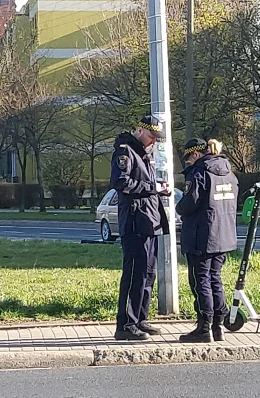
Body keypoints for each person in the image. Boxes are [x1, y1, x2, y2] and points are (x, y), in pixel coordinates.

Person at [110, 115, 170, 341]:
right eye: (152, 136)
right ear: (140, 131)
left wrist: (160, 189)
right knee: (135, 274)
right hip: (135, 223)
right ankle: (126, 324)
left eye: (156, 138)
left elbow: (148, 187)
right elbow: (120, 182)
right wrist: (151, 187)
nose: (154, 141)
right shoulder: (125, 151)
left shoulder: (146, 154)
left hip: (149, 221)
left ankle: (140, 318)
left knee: (148, 274)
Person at [176, 138, 238, 343]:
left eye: (188, 159)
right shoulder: (229, 172)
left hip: (200, 236)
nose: (187, 163)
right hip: (223, 235)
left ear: (195, 155)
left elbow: (189, 203)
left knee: (200, 280)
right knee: (215, 279)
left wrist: (178, 207)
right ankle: (218, 327)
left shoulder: (199, 173)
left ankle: (204, 327)